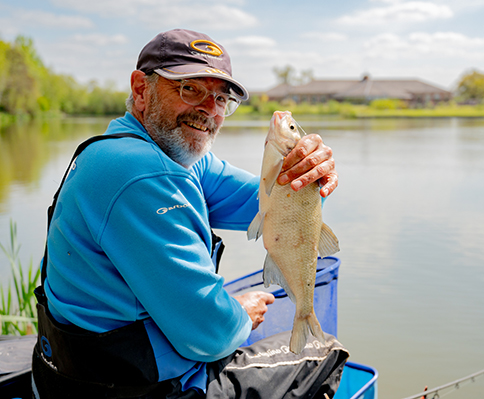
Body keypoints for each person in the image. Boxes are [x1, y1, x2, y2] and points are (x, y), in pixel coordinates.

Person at [31, 29, 348, 399]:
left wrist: (306, 178)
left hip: (72, 372)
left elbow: (265, 207)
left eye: (219, 98)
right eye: (190, 90)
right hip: (135, 387)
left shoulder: (162, 151)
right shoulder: (140, 172)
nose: (209, 109)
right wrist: (241, 313)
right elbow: (211, 337)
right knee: (323, 353)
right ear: (140, 90)